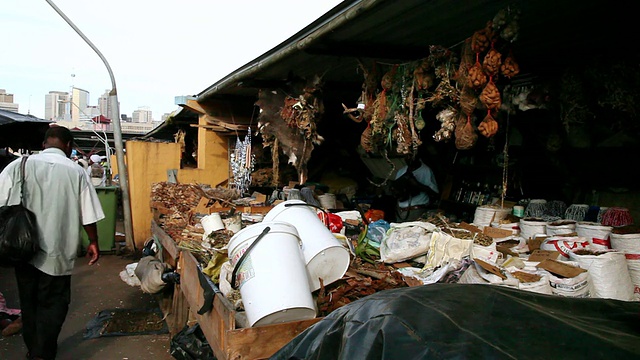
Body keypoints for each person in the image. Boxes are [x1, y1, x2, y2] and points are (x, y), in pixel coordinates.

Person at [0, 126, 105, 360]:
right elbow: (87, 214)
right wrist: (94, 242)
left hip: (22, 250)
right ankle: (43, 352)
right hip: (58, 251)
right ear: (68, 146)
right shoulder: (76, 172)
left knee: (28, 302)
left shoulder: (18, 166)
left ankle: (34, 350)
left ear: (45, 143)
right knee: (54, 303)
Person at [390, 157, 439, 222]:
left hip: (416, 211)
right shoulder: (402, 170)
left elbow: (435, 194)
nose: (408, 158)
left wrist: (417, 185)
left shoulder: (426, 170)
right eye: (406, 156)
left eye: (410, 155)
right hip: (401, 212)